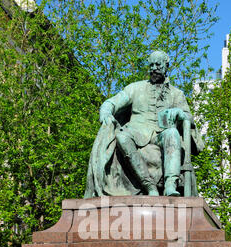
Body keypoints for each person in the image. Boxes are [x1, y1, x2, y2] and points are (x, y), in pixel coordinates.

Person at [84, 50, 203, 198]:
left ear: (166, 66)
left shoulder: (176, 94)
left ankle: (170, 184)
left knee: (172, 133)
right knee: (121, 136)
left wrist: (180, 113)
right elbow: (112, 102)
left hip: (162, 134)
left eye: (158, 65)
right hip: (137, 132)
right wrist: (106, 112)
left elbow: (189, 118)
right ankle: (149, 185)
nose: (154, 68)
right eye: (151, 65)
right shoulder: (135, 88)